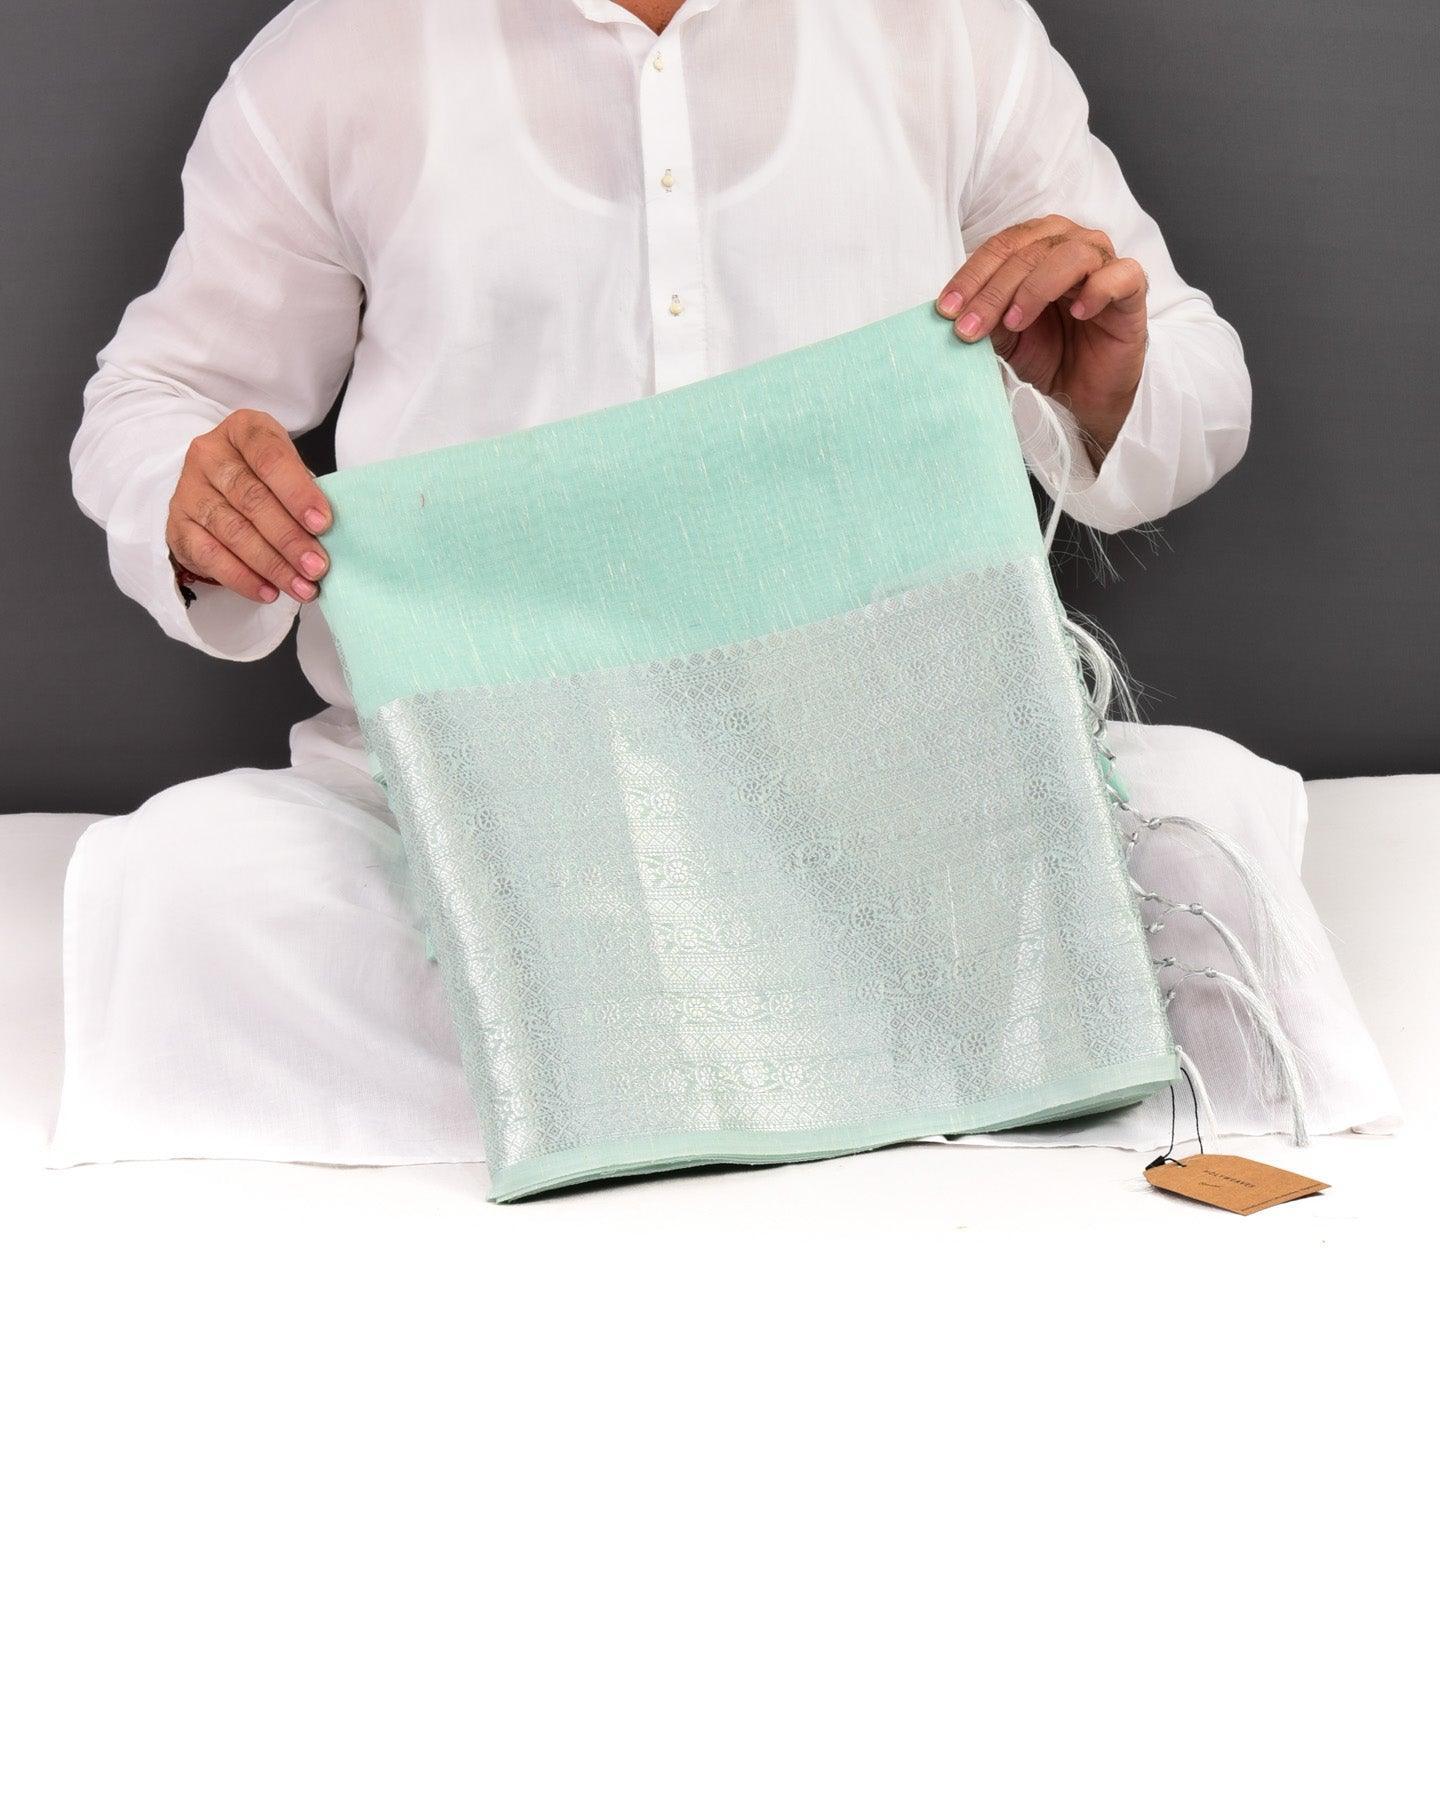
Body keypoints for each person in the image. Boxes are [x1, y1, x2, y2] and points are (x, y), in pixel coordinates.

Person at [53, 0, 1251, 1167]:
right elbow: (156, 397)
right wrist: (196, 497)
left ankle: (632, 1070)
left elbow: (1198, 372)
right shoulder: (336, 53)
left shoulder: (949, 29)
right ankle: (873, 1049)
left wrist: (1097, 387)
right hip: (487, 800)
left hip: (895, 782)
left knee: (1215, 844)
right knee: (186, 888)